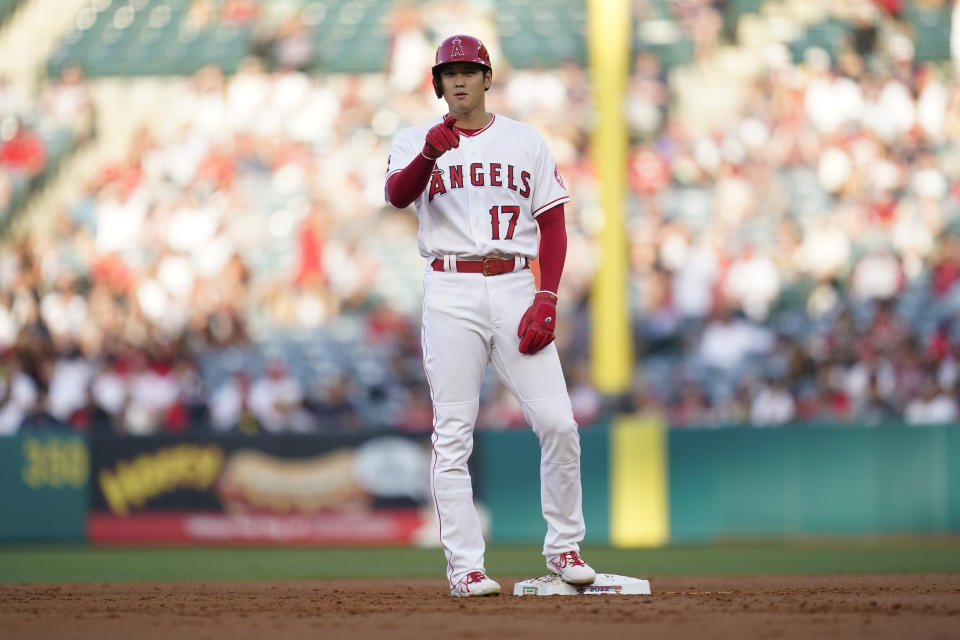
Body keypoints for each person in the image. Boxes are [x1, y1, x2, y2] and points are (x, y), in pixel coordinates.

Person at [385, 35, 594, 597]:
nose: (458, 81)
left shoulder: (525, 140)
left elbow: (551, 223)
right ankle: (465, 566)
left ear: (486, 78)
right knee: (452, 435)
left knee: (559, 424)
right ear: (437, 83)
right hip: (450, 289)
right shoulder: (413, 139)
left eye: (468, 71)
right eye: (448, 73)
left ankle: (564, 546)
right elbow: (398, 196)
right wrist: (429, 153)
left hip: (512, 285)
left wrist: (546, 296)